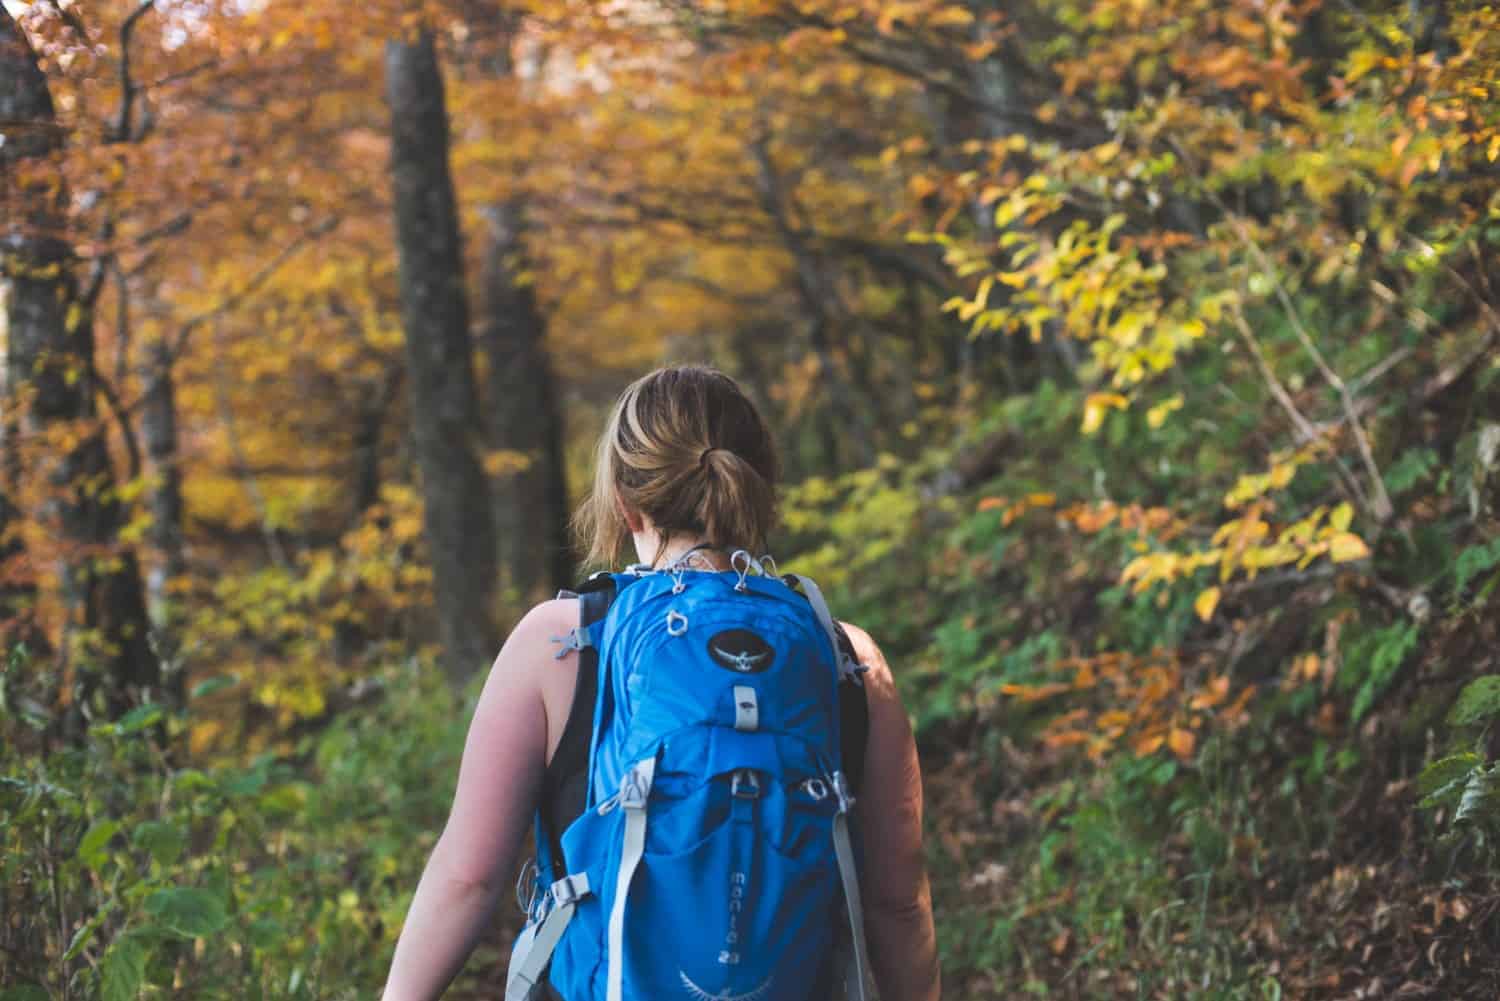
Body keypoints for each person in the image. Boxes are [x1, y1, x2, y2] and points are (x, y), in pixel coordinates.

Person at [381, 365, 940, 1001]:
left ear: (625, 501)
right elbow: (898, 903)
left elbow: (470, 878)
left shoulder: (563, 641)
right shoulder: (848, 657)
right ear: (761, 484)